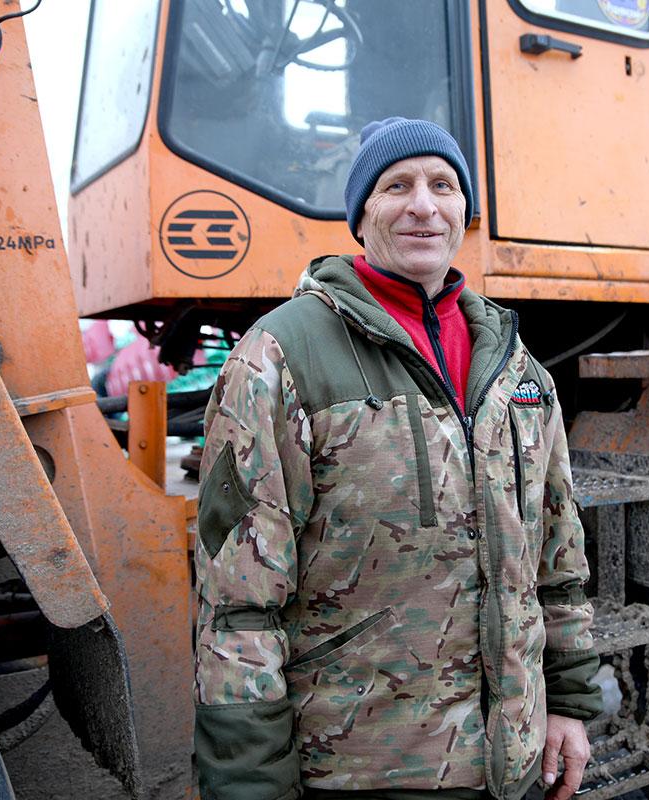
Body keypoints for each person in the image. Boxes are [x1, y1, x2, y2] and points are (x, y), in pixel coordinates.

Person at [194, 117, 601, 800]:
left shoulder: (518, 369)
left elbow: (556, 560)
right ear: (361, 216)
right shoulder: (282, 357)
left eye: (443, 185)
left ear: (464, 210)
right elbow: (237, 605)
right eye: (396, 186)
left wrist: (568, 703)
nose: (423, 205)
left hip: (515, 767)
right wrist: (249, 782)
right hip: (362, 771)